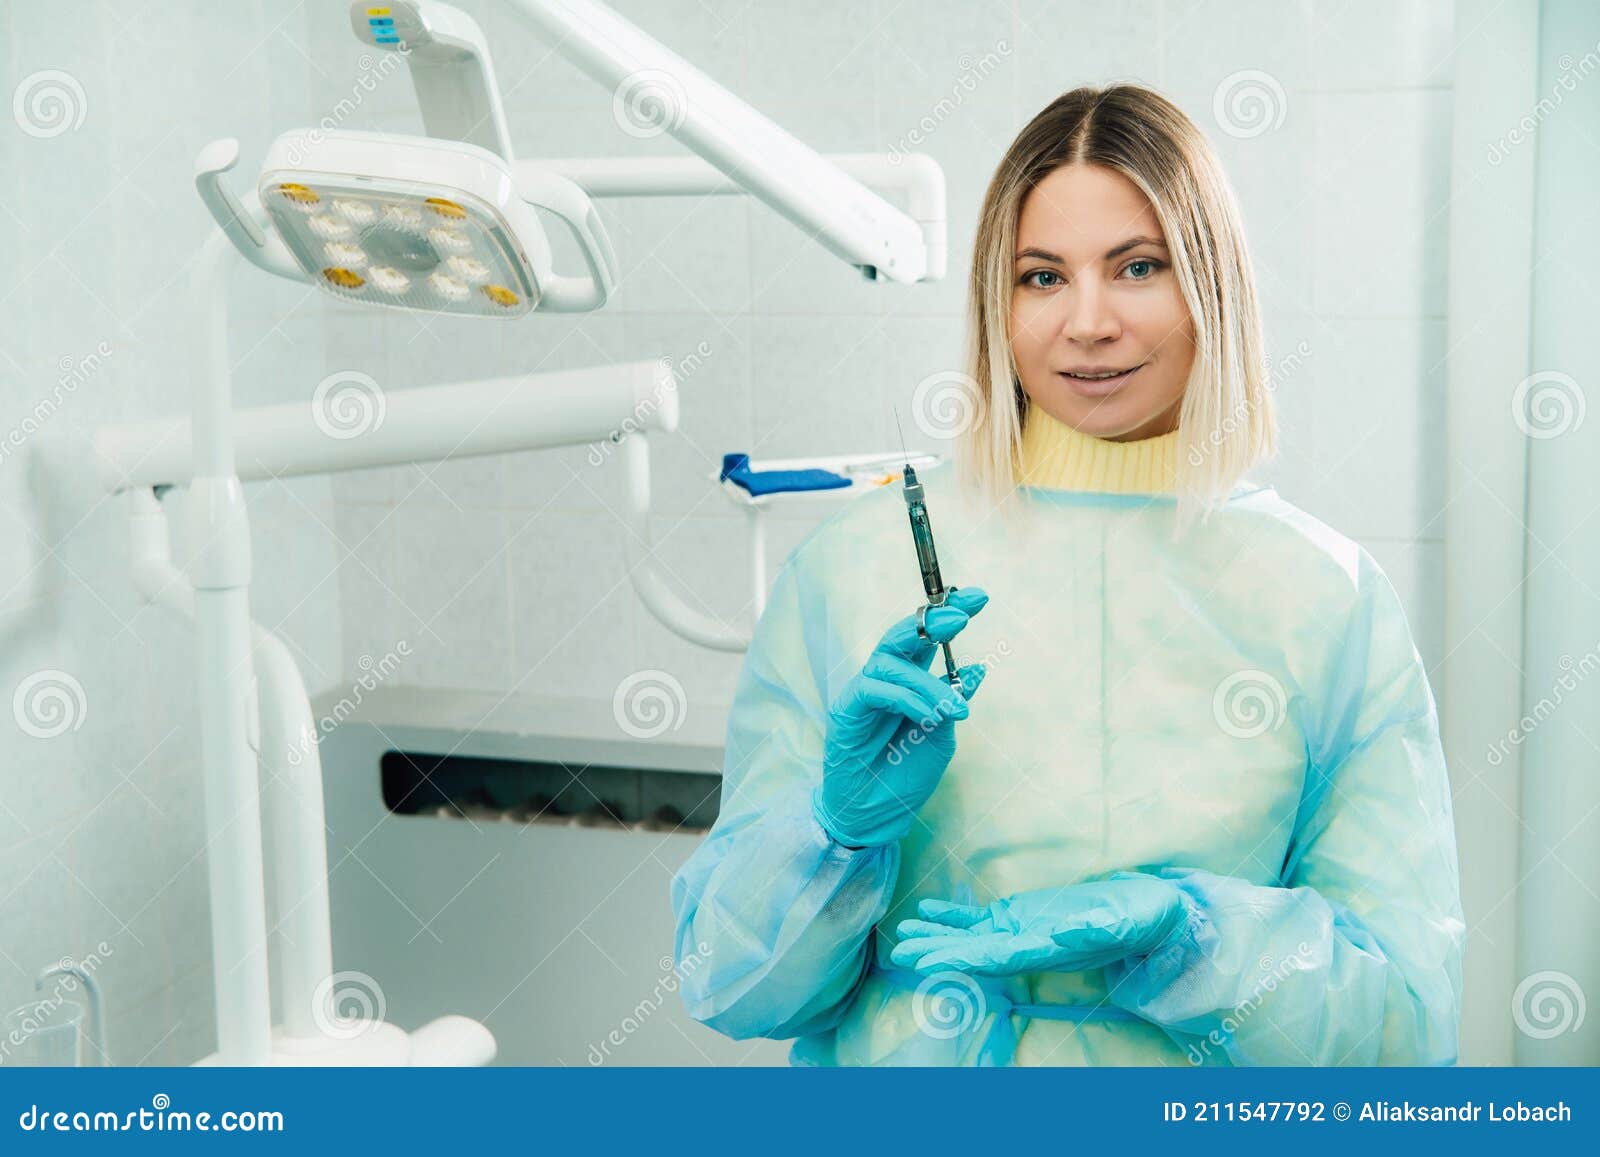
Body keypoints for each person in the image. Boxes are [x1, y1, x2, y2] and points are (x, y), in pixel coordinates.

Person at [670, 84, 1464, 1066]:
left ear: (1211, 285)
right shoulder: (854, 567)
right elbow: (731, 986)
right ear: (994, 306)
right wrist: (832, 836)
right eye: (1041, 277)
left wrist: (1190, 935)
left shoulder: (1326, 597)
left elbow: (1404, 1025)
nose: (1087, 323)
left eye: (1136, 267)